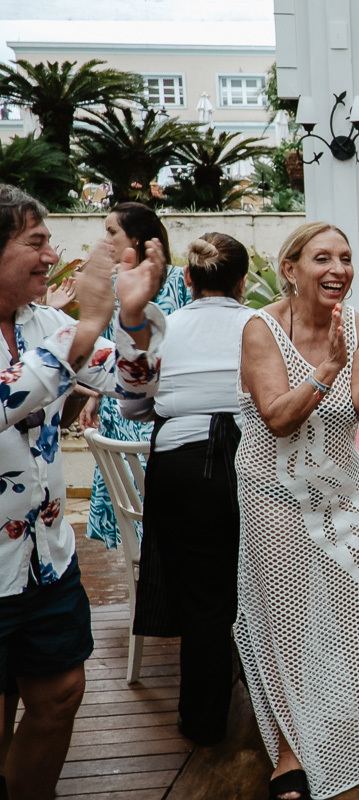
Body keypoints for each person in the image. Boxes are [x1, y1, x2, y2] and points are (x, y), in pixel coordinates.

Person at [234, 222, 359, 800]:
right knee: (289, 617)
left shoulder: (356, 323)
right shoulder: (259, 329)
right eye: (323, 258)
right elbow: (277, 417)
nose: (339, 269)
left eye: (346, 258)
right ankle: (293, 751)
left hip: (342, 488)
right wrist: (326, 369)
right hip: (272, 494)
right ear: (290, 269)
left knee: (358, 607)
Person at [0, 184, 164, 800]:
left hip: (48, 559)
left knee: (61, 694)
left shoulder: (46, 323)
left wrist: (129, 323)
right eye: (36, 242)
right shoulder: (64, 328)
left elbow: (136, 396)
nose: (52, 255)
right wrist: (91, 321)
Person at [119, 234, 254, 745]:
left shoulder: (164, 328)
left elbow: (132, 407)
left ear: (189, 280)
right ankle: (279, 714)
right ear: (243, 282)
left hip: (182, 467)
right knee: (264, 586)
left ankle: (203, 722)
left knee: (204, 600)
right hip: (253, 463)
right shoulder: (261, 325)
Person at [83, 202, 189, 549]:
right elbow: (110, 344)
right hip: (121, 405)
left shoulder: (180, 281)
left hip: (165, 408)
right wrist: (95, 394)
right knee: (134, 510)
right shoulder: (114, 284)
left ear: (138, 239)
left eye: (112, 231)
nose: (106, 240)